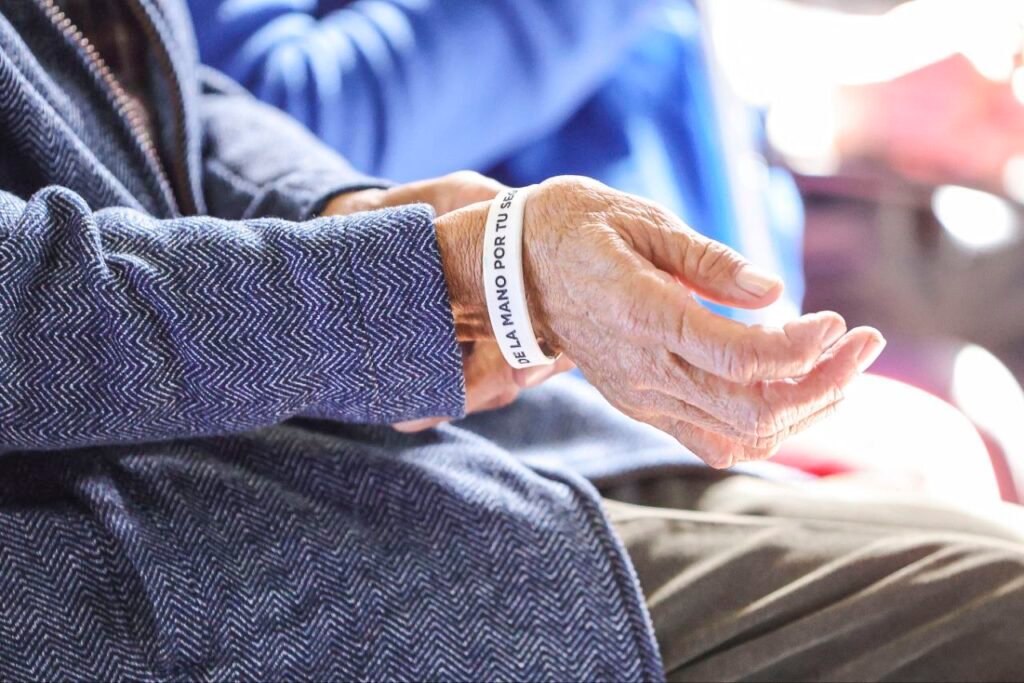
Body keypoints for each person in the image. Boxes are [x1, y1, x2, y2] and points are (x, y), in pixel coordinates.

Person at [1, 2, 1023, 683]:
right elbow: (286, 82)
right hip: (143, 534)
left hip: (483, 388)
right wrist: (449, 273)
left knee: (978, 514)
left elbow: (164, 95)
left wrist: (345, 206)